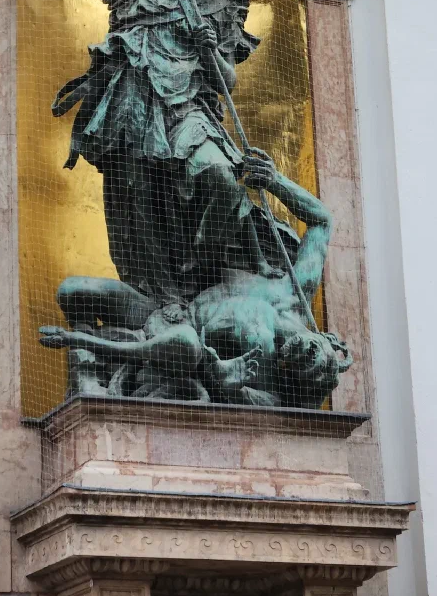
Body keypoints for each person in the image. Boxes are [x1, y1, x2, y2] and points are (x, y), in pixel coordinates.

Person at [35, 0, 302, 305]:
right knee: (137, 198)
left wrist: (207, 51)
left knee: (221, 180)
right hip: (134, 98)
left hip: (188, 113)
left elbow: (229, 84)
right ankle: (159, 295)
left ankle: (207, 279)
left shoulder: (221, 12)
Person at [39, 149, 352, 408]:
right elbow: (321, 222)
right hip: (170, 303)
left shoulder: (263, 364)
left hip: (165, 328)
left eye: (306, 371)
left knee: (74, 291)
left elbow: (261, 402)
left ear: (291, 374)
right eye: (320, 358)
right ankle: (87, 376)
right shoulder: (294, 292)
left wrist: (225, 382)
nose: (308, 358)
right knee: (74, 293)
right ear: (331, 342)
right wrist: (274, 181)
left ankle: (87, 378)